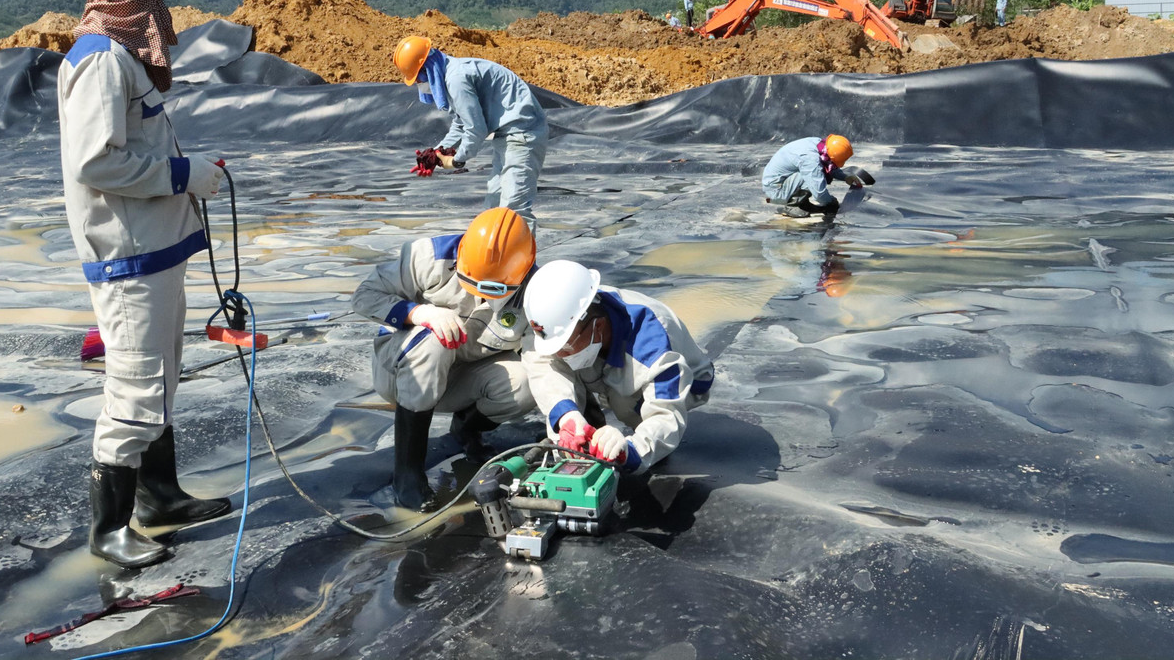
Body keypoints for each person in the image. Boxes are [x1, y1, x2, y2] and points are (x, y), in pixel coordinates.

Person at [58, 0, 232, 569]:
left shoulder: (119, 58)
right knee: (134, 387)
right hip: (129, 257)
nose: (162, 4)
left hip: (153, 247)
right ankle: (109, 528)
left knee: (157, 379)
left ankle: (160, 497)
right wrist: (184, 174)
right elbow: (96, 163)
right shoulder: (101, 62)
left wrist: (185, 176)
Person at [352, 206, 539, 511]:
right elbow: (364, 295)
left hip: (462, 377)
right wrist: (420, 313)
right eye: (470, 280)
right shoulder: (429, 257)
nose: (478, 293)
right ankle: (407, 474)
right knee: (435, 340)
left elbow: (543, 360)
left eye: (492, 288)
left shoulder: (535, 290)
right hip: (402, 373)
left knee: (527, 380)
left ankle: (467, 428)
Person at [521, 260, 714, 473]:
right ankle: (582, 427)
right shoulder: (565, 312)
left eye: (565, 346)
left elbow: (666, 417)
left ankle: (634, 436)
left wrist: (630, 450)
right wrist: (567, 415)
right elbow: (541, 358)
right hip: (604, 354)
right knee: (551, 360)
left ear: (598, 326)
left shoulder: (653, 347)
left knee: (623, 401)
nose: (559, 354)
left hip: (687, 383)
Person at [394, 36, 549, 230]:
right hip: (507, 136)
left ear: (428, 69)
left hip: (523, 134)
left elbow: (476, 129)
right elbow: (460, 123)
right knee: (493, 206)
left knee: (514, 210)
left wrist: (457, 160)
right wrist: (436, 153)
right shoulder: (450, 74)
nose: (420, 84)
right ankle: (495, 259)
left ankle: (525, 259)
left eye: (418, 79)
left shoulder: (456, 79)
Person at [761, 134, 865, 218]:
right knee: (814, 176)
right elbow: (818, 192)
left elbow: (828, 164)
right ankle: (792, 205)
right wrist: (830, 202)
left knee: (817, 172)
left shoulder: (820, 145)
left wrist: (845, 177)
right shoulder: (810, 159)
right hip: (775, 191)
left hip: (782, 183)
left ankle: (803, 203)